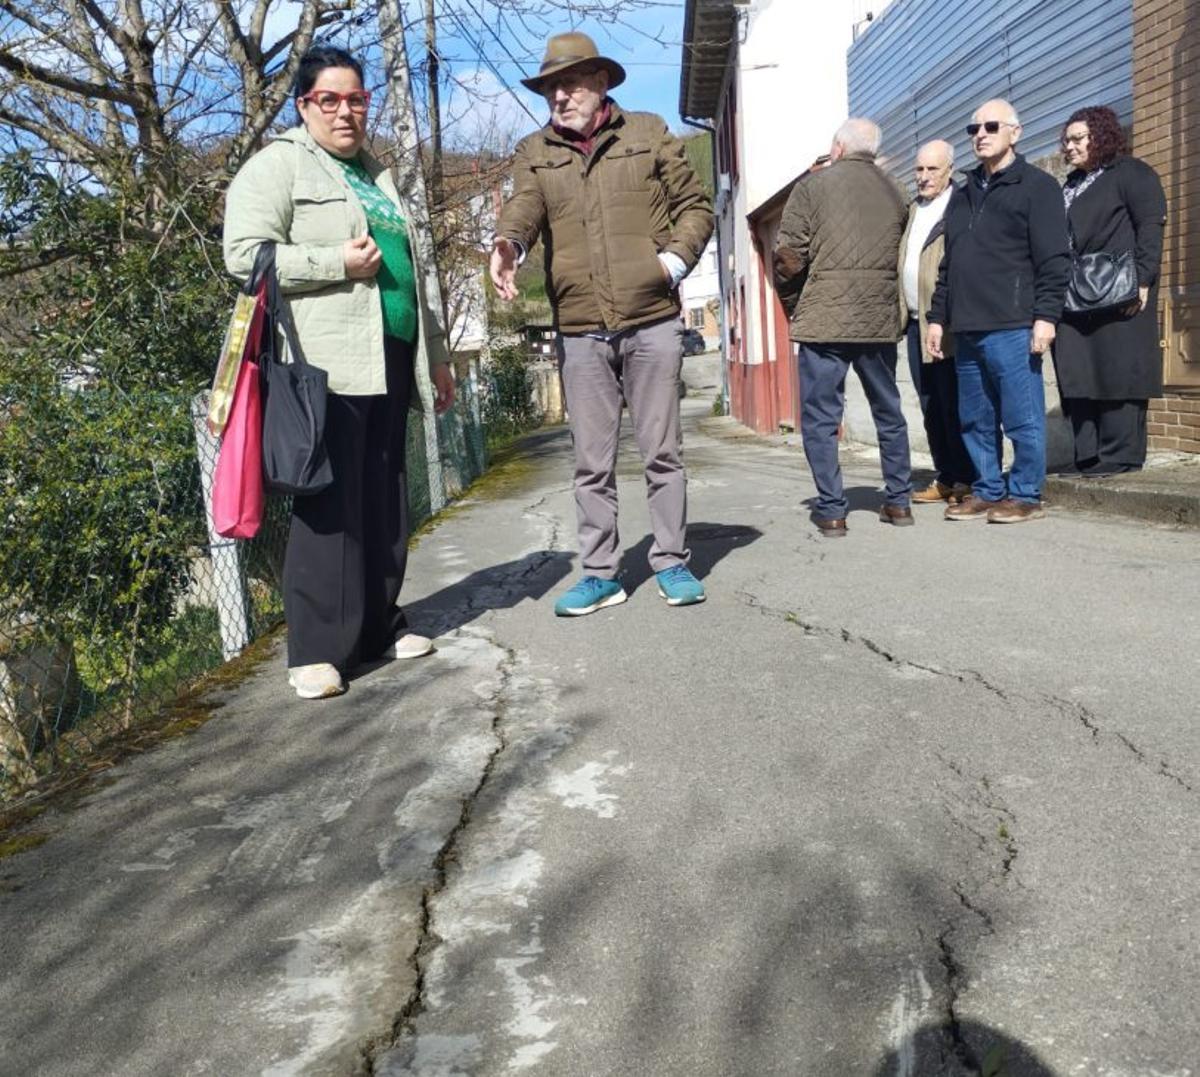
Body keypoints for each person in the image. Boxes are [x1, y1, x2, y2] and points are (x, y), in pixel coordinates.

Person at [224, 45, 456, 699]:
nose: (346, 110)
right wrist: (334, 262)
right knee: (329, 502)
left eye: (356, 98)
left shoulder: (377, 175)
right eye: (331, 98)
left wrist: (436, 357)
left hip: (391, 350)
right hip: (324, 360)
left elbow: (413, 273)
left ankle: (380, 626)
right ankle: (316, 650)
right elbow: (245, 255)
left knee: (384, 493)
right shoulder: (279, 166)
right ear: (305, 105)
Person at [490, 32, 713, 615]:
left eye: (569, 83)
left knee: (662, 452)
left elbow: (696, 206)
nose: (558, 96)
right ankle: (600, 573)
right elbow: (525, 206)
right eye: (549, 88)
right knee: (592, 460)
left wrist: (670, 263)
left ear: (600, 82)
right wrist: (509, 242)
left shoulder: (647, 132)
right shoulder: (534, 149)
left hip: (650, 320)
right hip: (581, 327)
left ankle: (671, 562)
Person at [927, 99, 1070, 524]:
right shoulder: (964, 193)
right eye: (974, 128)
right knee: (974, 418)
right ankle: (988, 490)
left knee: (1021, 418)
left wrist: (1046, 316)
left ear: (1015, 132)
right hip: (967, 326)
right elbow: (950, 263)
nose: (981, 134)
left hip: (1013, 324)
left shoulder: (1037, 187)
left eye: (991, 126)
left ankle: (1025, 494)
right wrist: (938, 317)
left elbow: (1054, 259)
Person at [773, 117, 913, 537]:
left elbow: (789, 257)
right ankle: (899, 502)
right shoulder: (898, 191)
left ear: (837, 147)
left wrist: (796, 305)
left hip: (824, 323)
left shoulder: (812, 187)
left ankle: (833, 511)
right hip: (876, 319)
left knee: (819, 418)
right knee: (888, 410)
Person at [1055, 105, 1167, 476]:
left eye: (1077, 139)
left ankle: (1120, 455)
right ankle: (1086, 455)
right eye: (1066, 140)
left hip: (1121, 289)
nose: (1068, 147)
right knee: (1079, 370)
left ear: (1101, 135)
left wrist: (1144, 278)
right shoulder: (1070, 184)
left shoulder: (1132, 173)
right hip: (1075, 295)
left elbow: (1150, 225)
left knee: (1118, 368)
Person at [899, 140, 974, 505]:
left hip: (947, 322)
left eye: (933, 169)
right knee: (929, 403)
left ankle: (967, 478)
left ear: (949, 171)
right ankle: (946, 476)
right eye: (919, 169)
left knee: (954, 402)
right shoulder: (913, 209)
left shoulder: (961, 204)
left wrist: (941, 318)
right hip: (915, 323)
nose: (924, 177)